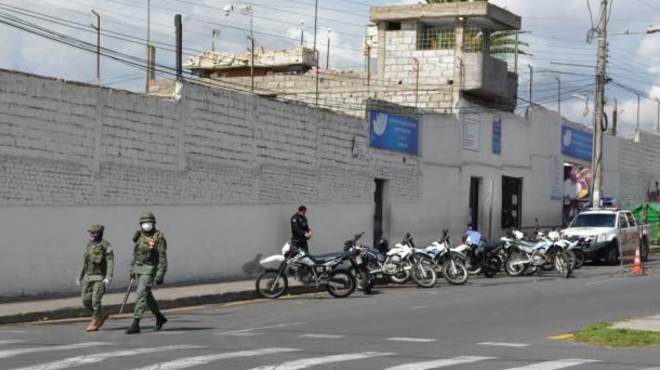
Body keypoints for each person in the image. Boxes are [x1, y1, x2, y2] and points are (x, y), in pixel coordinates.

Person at [126, 211, 168, 334]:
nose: (147, 225)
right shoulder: (139, 236)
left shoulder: (158, 238)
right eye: (144, 223)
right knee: (146, 295)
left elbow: (163, 258)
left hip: (150, 269)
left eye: (149, 223)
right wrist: (132, 268)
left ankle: (136, 323)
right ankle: (160, 317)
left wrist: (160, 274)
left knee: (140, 293)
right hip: (139, 268)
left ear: (153, 223)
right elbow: (136, 254)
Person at [76, 224, 114, 332]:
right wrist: (80, 276)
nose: (92, 235)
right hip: (88, 277)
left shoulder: (105, 245)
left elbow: (110, 262)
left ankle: (96, 321)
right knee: (85, 300)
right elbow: (84, 262)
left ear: (100, 233)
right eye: (91, 233)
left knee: (95, 300)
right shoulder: (89, 245)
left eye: (94, 233)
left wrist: (108, 277)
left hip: (99, 277)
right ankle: (102, 314)